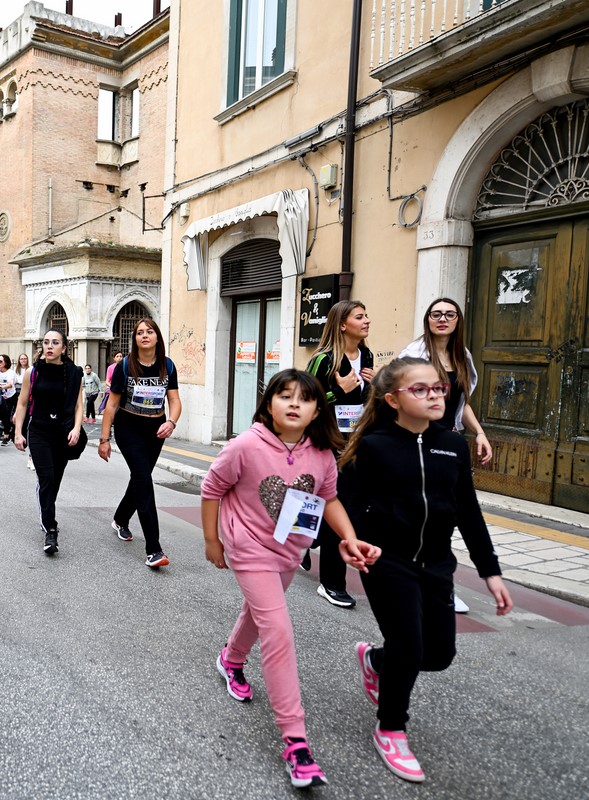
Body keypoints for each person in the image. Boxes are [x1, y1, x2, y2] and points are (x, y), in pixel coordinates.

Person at [200, 369, 380, 790]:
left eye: (305, 398)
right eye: (285, 395)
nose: (295, 403)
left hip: (288, 550)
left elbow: (328, 499)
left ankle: (231, 660)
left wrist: (349, 537)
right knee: (278, 629)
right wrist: (212, 541)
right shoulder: (245, 445)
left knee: (259, 613)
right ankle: (296, 744)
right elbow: (211, 488)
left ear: (318, 410)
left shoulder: (321, 454)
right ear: (269, 404)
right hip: (247, 547)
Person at [339, 357, 512, 783]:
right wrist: (352, 540)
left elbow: (468, 511)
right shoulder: (374, 445)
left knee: (439, 654)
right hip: (386, 561)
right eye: (421, 389)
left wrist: (490, 571)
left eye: (439, 388)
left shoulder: (452, 445)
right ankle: (391, 729)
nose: (435, 395)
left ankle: (376, 660)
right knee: (409, 647)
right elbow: (349, 501)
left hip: (436, 564)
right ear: (393, 400)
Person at [400, 297, 492, 613]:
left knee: (443, 517)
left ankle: (440, 586)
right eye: (436, 314)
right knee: (416, 516)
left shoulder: (462, 357)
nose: (442, 319)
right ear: (427, 319)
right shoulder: (414, 354)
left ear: (457, 320)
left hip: (447, 447)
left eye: (449, 314)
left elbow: (461, 405)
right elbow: (395, 399)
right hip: (416, 444)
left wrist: (479, 433)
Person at [302, 300, 374, 609]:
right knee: (337, 508)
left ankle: (304, 539)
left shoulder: (367, 356)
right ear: (343, 324)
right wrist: (338, 391)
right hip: (325, 444)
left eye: (366, 315)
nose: (367, 320)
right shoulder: (323, 359)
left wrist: (375, 387)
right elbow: (305, 400)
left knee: (345, 508)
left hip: (355, 444)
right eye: (360, 316)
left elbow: (364, 401)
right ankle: (332, 583)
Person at [98, 319, 181, 568]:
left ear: (157, 337)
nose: (145, 335)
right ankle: (153, 549)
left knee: (139, 478)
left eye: (149, 331)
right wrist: (104, 439)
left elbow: (174, 400)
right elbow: (112, 405)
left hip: (156, 430)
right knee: (144, 480)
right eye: (140, 333)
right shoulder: (125, 366)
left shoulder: (168, 365)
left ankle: (120, 519)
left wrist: (172, 422)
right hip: (129, 428)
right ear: (134, 339)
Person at [13, 330, 85, 554]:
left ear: (64, 348)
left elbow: (79, 405)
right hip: (39, 431)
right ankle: (50, 529)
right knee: (47, 478)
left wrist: (76, 428)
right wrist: (18, 432)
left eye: (55, 342)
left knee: (55, 481)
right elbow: (22, 403)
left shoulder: (73, 373)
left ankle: (46, 510)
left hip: (62, 432)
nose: (49, 346)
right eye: (46, 342)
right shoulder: (33, 372)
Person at [0, 353, 19, 442]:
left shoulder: (10, 372)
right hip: (0, 396)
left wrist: (1, 387)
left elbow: (10, 384)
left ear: (6, 363)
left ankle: (7, 434)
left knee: (7, 414)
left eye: (0, 361)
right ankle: (1, 429)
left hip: (10, 396)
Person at [99, 351, 123, 415]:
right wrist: (112, 386)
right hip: (112, 391)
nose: (119, 358)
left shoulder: (126, 367)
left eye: (121, 356)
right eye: (117, 356)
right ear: (114, 358)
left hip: (122, 391)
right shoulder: (110, 368)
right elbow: (107, 381)